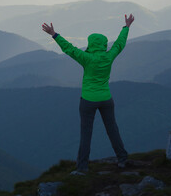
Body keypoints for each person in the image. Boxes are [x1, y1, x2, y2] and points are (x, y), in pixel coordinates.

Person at [42, 14, 135, 175]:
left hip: (88, 101)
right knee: (112, 129)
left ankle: (83, 167)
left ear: (91, 44)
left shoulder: (86, 58)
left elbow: (69, 49)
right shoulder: (109, 56)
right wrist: (126, 27)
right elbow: (120, 44)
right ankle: (122, 158)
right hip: (106, 99)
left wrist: (54, 34)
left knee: (86, 134)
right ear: (104, 44)